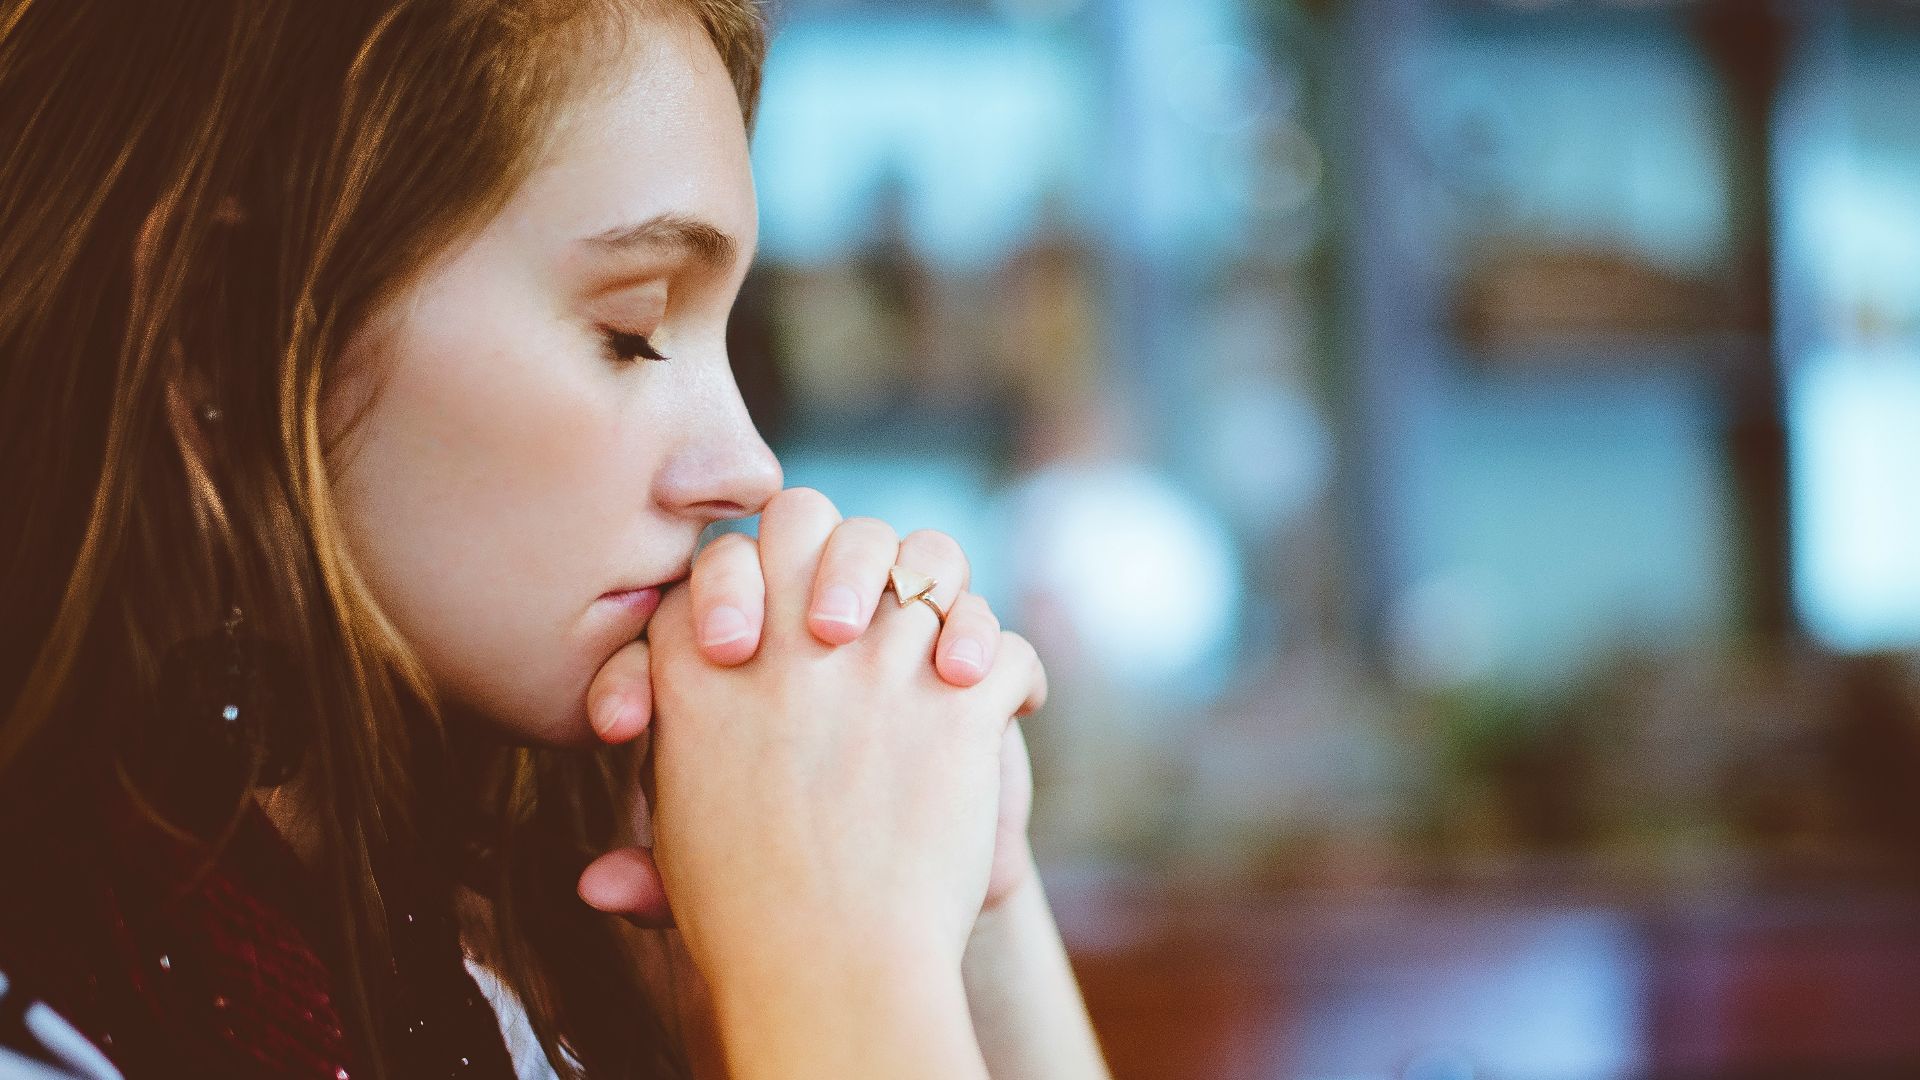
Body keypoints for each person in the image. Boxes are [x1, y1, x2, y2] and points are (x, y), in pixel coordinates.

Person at [0, 1, 1111, 1078]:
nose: (748, 468)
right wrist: (834, 956)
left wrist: (971, 902)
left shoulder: (520, 940)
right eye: (630, 333)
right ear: (224, 328)